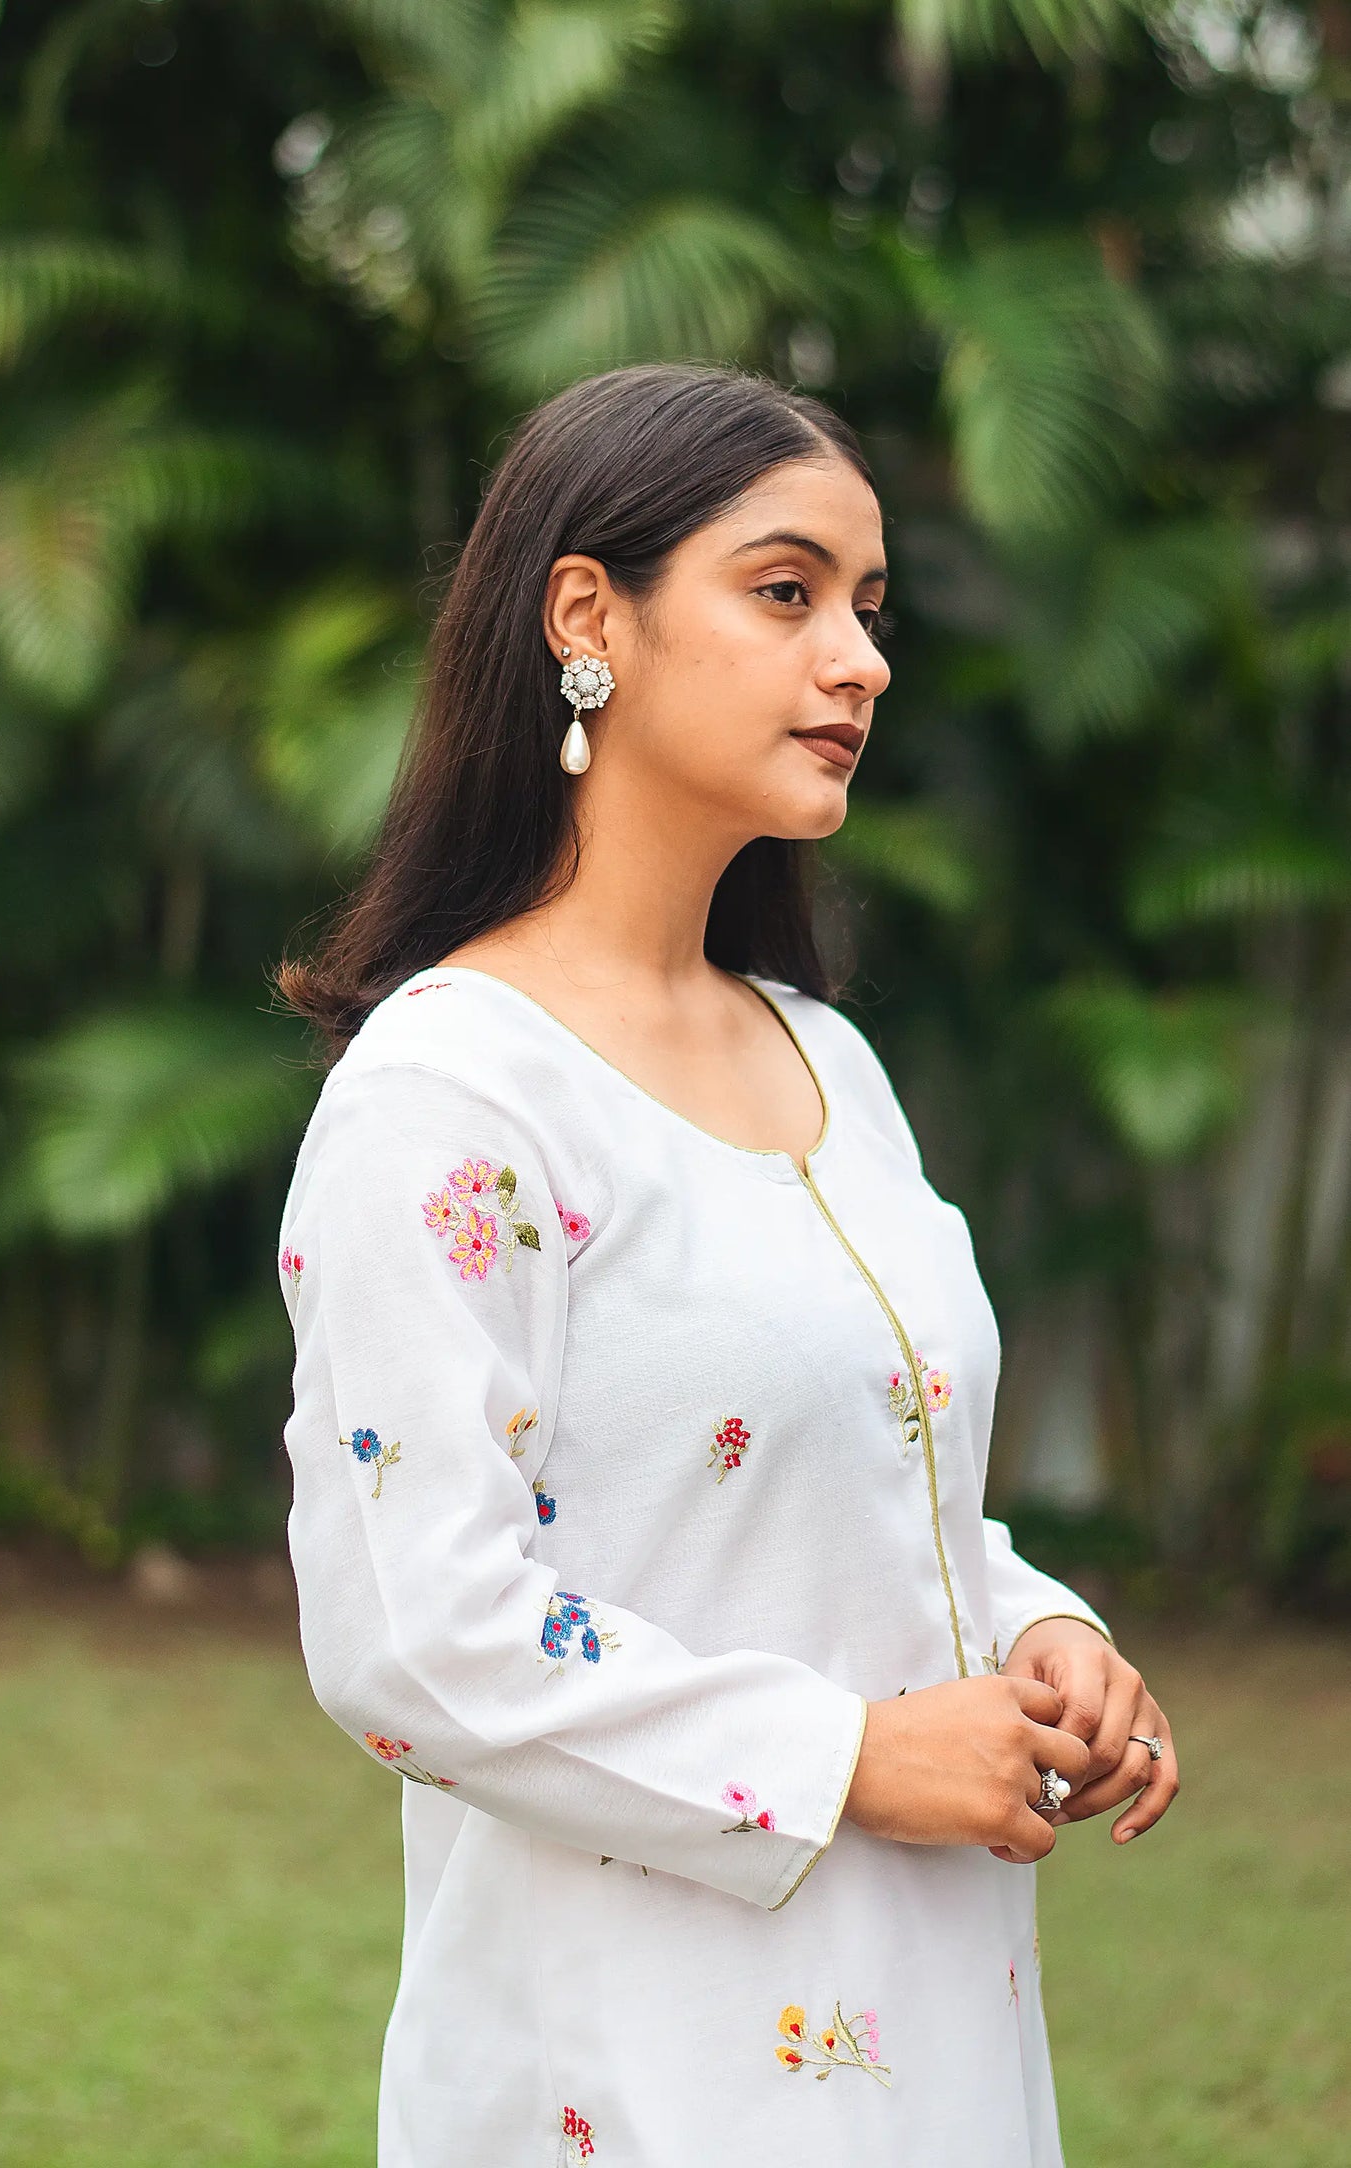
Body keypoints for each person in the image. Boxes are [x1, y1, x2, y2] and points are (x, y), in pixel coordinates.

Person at [272, 360, 1178, 2168]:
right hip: (628, 2062)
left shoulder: (822, 1058)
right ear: (586, 616)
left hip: (936, 2018)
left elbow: (883, 1490)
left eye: (866, 606)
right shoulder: (454, 1092)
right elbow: (417, 1637)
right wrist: (847, 1756)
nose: (858, 659)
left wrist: (1039, 1630)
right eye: (785, 593)